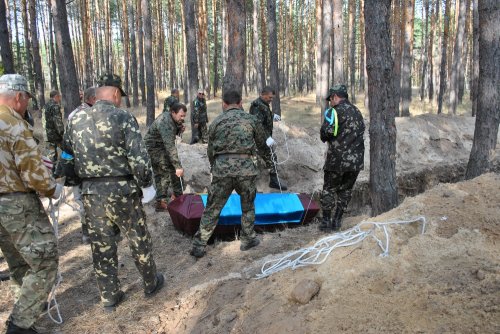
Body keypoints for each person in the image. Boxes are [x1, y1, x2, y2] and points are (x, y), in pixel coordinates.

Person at [63, 73, 164, 311]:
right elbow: (139, 158)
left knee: (102, 245)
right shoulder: (123, 117)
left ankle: (109, 296)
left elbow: (67, 156)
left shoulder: (75, 120)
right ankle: (150, 283)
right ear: (116, 93)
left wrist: (73, 182)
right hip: (122, 191)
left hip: (91, 194)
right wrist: (147, 184)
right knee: (138, 238)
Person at [0, 74, 62, 333]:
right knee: (45, 262)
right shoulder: (13, 123)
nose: (27, 105)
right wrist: (52, 188)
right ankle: (20, 325)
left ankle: (23, 309)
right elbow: (32, 172)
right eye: (26, 99)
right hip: (17, 205)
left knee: (19, 262)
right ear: (18, 97)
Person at [190, 90, 270, 258]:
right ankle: (247, 239)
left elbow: (210, 151)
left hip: (222, 170)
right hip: (246, 170)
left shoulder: (216, 122)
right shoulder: (251, 119)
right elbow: (263, 144)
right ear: (240, 103)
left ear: (224, 104)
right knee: (248, 206)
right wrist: (266, 163)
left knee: (212, 208)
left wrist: (216, 167)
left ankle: (199, 245)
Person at [319, 84, 365, 232]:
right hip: (356, 162)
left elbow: (325, 134)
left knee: (329, 189)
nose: (330, 102)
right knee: (346, 190)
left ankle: (326, 221)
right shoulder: (357, 112)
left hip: (337, 161)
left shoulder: (333, 112)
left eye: (330, 99)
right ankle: (337, 221)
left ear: (335, 97)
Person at [67, 87, 97, 244]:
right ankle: (90, 233)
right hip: (89, 168)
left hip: (78, 167)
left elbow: (67, 144)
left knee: (82, 202)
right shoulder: (92, 115)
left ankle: (87, 233)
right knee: (88, 202)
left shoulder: (73, 114)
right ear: (92, 99)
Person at [145, 103, 187, 212]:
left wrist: (179, 129)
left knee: (175, 168)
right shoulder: (165, 122)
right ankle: (161, 202)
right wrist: (177, 166)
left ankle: (178, 195)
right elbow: (170, 146)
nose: (182, 118)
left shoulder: (173, 119)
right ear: (173, 112)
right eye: (181, 116)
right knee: (164, 171)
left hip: (162, 145)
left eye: (184, 116)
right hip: (154, 148)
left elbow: (173, 133)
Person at [249, 86, 288, 190]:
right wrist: (267, 138)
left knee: (272, 157)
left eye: (272, 98)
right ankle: (251, 187)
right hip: (256, 141)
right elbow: (257, 124)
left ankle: (274, 181)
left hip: (263, 140)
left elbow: (264, 116)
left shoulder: (264, 105)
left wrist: (272, 116)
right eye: (269, 97)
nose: (271, 100)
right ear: (263, 95)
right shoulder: (257, 105)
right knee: (254, 163)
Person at [42, 90, 64, 163]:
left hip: (47, 134)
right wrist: (62, 133)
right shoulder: (55, 106)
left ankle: (51, 172)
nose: (60, 98)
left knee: (51, 155)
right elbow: (58, 122)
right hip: (55, 135)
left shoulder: (45, 106)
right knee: (68, 150)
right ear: (56, 96)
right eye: (59, 97)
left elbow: (43, 120)